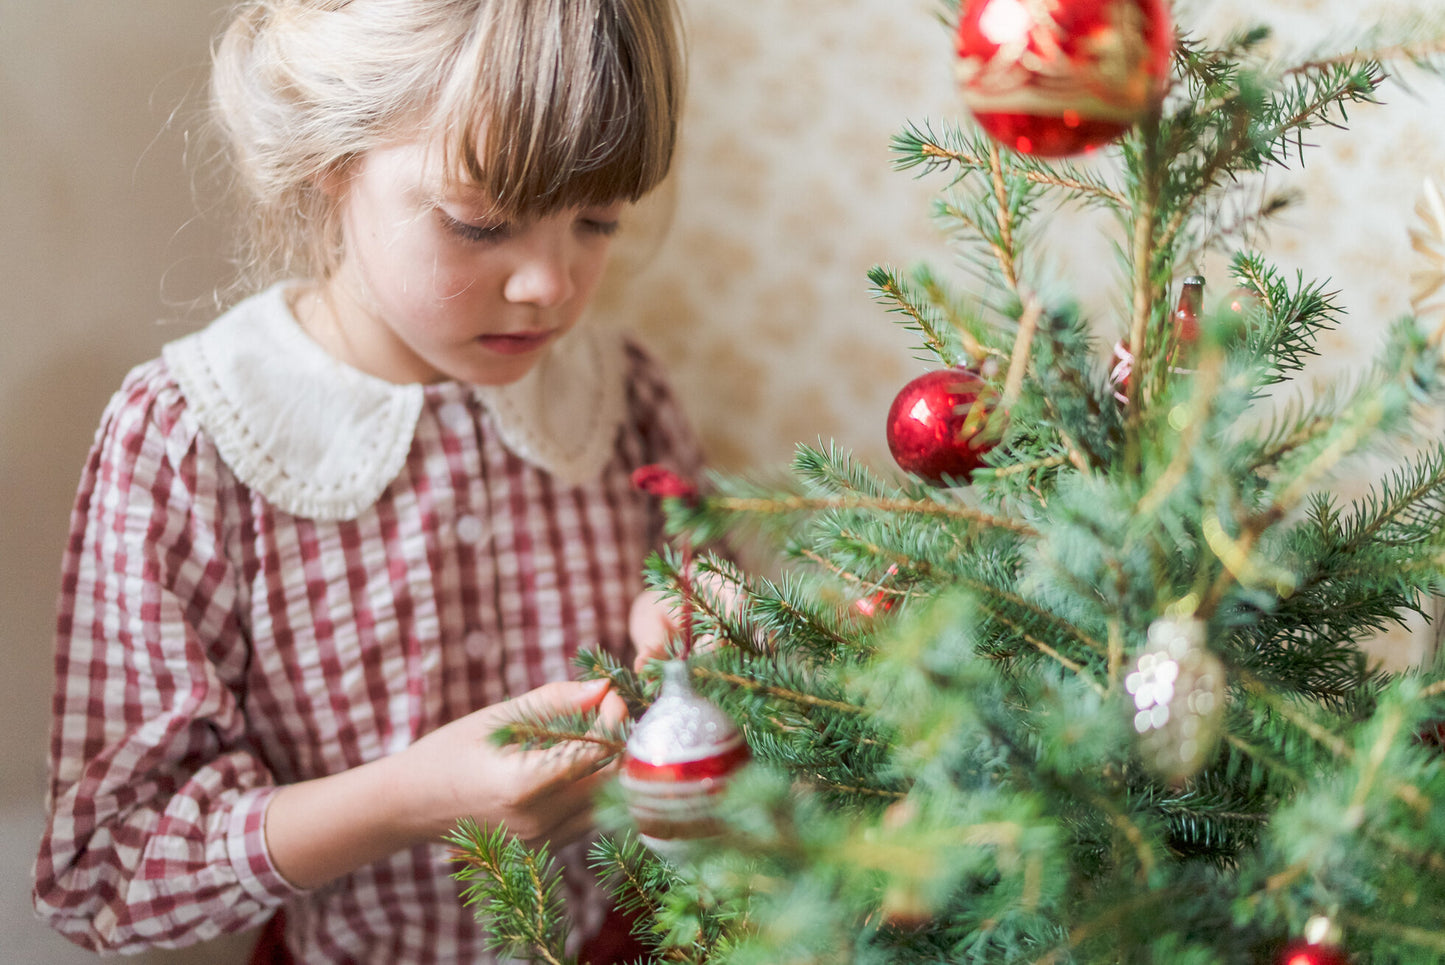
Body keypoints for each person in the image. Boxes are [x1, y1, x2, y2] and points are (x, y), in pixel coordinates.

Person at [32, 0, 697, 961]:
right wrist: (410, 798)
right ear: (329, 168)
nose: (550, 283)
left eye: (596, 219)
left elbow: (709, 627)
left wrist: (689, 624)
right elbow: (104, 870)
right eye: (482, 223)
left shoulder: (623, 391)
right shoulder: (189, 438)